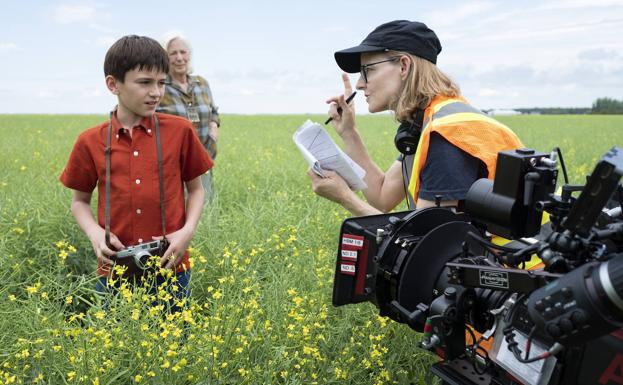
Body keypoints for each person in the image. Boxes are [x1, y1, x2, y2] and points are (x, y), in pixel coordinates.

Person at [59, 35, 213, 310]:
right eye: (145, 82)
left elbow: (197, 189)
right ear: (113, 84)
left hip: (172, 268)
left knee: (175, 345)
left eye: (161, 83)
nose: (156, 92)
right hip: (114, 271)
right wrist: (95, 234)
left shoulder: (180, 131)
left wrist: (186, 232)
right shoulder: (89, 140)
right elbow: (79, 201)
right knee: (116, 349)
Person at [308, 20, 523, 216]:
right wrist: (348, 133)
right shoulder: (428, 122)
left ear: (403, 66)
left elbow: (427, 243)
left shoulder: (446, 134)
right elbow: (383, 197)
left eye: (367, 71)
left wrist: (346, 197)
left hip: (505, 260)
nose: (359, 84)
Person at [157, 34, 220, 199]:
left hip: (204, 159)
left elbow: (213, 111)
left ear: (189, 55)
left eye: (183, 52)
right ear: (165, 57)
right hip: (174, 166)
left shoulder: (201, 83)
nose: (179, 58)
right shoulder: (159, 86)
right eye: (173, 53)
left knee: (207, 210)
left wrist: (214, 126)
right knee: (180, 214)